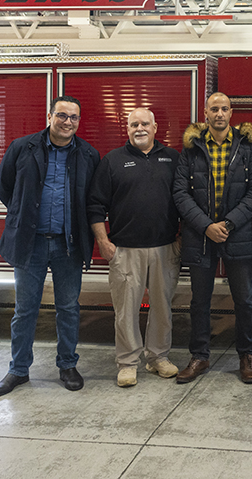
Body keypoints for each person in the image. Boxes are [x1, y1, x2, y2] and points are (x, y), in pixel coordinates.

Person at [0, 95, 100, 398]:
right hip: (31, 244)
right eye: (62, 115)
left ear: (79, 121)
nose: (67, 122)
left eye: (74, 117)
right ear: (49, 116)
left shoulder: (88, 155)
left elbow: (93, 199)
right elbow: (4, 186)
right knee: (25, 310)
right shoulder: (22, 147)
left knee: (68, 308)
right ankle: (18, 370)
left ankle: (67, 365)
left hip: (68, 246)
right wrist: (21, 215)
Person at [173, 92, 252, 384]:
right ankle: (199, 356)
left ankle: (246, 356)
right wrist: (206, 226)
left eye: (224, 108)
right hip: (201, 236)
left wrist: (228, 222)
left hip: (237, 234)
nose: (220, 113)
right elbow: (180, 193)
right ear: (206, 112)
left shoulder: (247, 148)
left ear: (231, 112)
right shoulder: (191, 149)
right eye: (215, 109)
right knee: (200, 300)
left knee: (245, 300)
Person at [87, 108, 181, 387]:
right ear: (127, 129)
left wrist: (181, 240)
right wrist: (103, 241)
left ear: (155, 127)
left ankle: (158, 358)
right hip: (125, 250)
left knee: (163, 308)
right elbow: (94, 205)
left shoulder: (173, 158)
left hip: (165, 248)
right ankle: (128, 363)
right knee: (125, 310)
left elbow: (188, 200)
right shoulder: (112, 161)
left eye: (144, 124)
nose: (139, 128)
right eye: (133, 124)